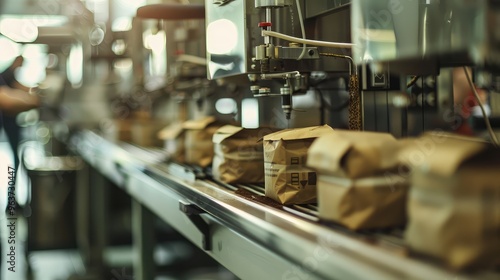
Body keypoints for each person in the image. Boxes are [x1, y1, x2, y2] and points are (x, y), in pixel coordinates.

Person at [0, 56, 39, 170]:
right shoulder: (7, 73)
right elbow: (6, 99)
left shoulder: (10, 74)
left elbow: (18, 88)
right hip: (8, 118)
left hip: (8, 117)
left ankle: (16, 166)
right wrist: (37, 101)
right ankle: (15, 166)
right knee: (14, 143)